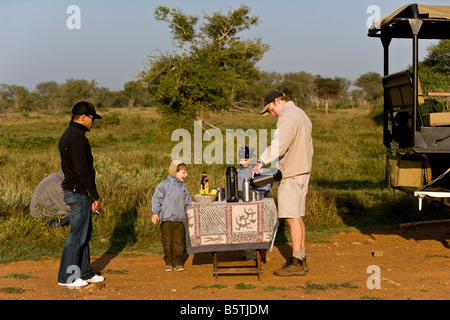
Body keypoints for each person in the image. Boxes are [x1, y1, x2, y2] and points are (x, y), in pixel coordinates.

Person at [253, 91, 313, 277]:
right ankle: (300, 258)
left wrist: (261, 161)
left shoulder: (287, 116)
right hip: (303, 170)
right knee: (298, 216)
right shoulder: (301, 113)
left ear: (278, 101)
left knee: (291, 217)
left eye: (271, 109)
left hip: (292, 172)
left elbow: (281, 144)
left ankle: (296, 262)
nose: (272, 114)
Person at [57, 101, 103, 288]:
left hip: (77, 190)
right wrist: (94, 195)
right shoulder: (76, 137)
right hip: (79, 192)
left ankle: (85, 273)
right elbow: (82, 170)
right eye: (92, 118)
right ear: (83, 116)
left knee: (84, 233)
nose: (93, 122)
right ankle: (67, 277)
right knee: (77, 235)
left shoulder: (71, 134)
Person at [151, 160, 192, 272]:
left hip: (180, 219)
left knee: (179, 242)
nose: (186, 175)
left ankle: (178, 262)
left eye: (186, 172)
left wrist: (188, 215)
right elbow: (157, 199)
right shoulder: (164, 185)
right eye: (183, 172)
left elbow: (188, 203)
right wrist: (155, 213)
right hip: (166, 219)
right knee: (167, 241)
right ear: (175, 172)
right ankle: (168, 262)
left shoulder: (184, 187)